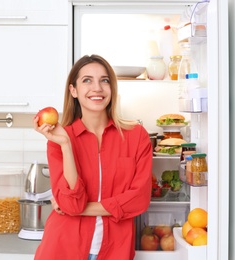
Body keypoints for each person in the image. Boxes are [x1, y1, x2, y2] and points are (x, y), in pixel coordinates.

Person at [33, 54, 152, 260]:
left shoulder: (136, 136)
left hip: (116, 250)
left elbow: (139, 199)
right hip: (63, 248)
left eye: (104, 80)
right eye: (87, 80)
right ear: (74, 90)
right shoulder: (59, 139)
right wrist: (66, 145)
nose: (97, 88)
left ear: (112, 88)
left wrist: (78, 209)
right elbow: (71, 202)